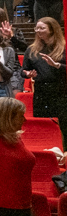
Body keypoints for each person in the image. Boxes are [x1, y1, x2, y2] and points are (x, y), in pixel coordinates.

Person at [22, 18, 67, 149]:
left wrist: (57, 65)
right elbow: (23, 70)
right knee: (44, 124)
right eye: (37, 28)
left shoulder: (63, 48)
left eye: (42, 28)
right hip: (41, 92)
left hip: (61, 91)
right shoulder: (32, 49)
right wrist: (28, 74)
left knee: (64, 126)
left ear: (52, 29)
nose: (38, 31)